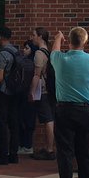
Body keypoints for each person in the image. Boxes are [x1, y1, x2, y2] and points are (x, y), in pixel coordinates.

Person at [46, 27, 89, 178]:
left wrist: (58, 37)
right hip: (86, 110)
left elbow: (53, 51)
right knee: (85, 155)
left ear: (69, 40)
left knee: (65, 155)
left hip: (65, 110)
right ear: (85, 41)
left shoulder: (61, 59)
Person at [0, 27, 19, 165]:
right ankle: (14, 154)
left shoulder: (2, 54)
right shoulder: (16, 51)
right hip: (15, 91)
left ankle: (3, 155)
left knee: (2, 123)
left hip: (3, 92)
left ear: (1, 37)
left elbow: (0, 77)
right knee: (14, 123)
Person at [28, 27, 56, 161]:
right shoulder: (49, 52)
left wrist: (32, 92)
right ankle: (49, 147)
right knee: (49, 119)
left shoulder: (39, 54)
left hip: (43, 91)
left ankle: (49, 149)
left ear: (40, 37)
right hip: (50, 90)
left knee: (48, 120)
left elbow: (36, 75)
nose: (32, 37)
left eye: (33, 35)